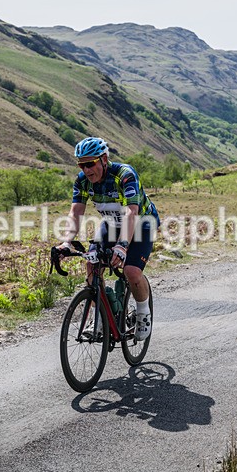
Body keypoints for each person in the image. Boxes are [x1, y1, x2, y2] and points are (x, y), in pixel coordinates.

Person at [55, 137, 160, 340]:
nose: (86, 169)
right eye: (81, 165)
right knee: (91, 265)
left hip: (142, 222)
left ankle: (143, 313)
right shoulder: (82, 181)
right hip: (112, 223)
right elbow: (75, 213)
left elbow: (131, 212)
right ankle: (101, 317)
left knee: (131, 271)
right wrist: (66, 242)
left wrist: (122, 246)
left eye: (90, 163)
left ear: (103, 159)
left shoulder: (124, 175)